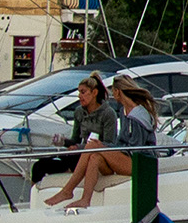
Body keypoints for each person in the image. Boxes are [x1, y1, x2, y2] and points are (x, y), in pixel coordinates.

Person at [46, 77, 132, 211]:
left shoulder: (111, 113)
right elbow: (75, 139)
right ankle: (85, 200)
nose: (79, 96)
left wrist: (85, 146)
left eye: (83, 92)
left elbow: (112, 143)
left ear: (94, 92)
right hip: (89, 154)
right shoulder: (80, 112)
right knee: (42, 165)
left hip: (112, 154)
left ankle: (67, 191)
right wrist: (63, 142)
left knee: (91, 147)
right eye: (79, 92)